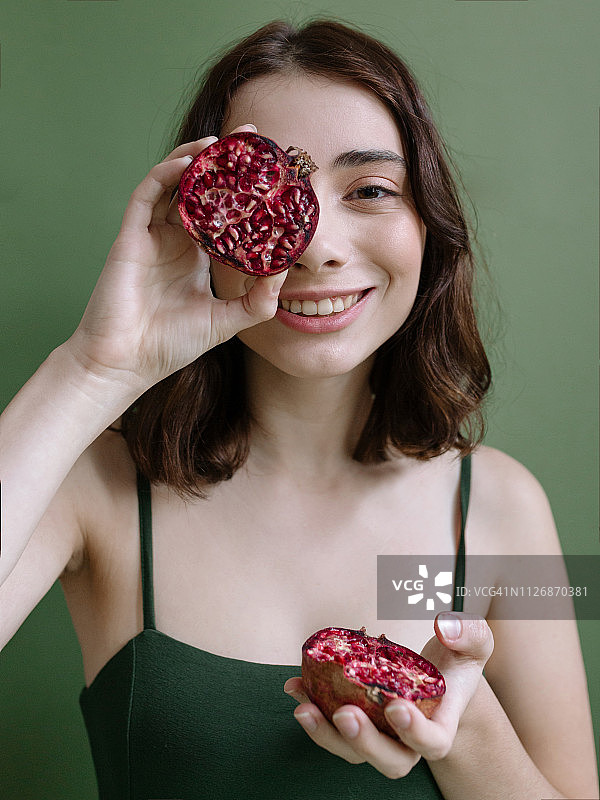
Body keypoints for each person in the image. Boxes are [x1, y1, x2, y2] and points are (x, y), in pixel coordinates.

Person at [0, 18, 597, 800]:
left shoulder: (502, 510)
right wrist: (92, 369)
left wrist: (465, 729)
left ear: (430, 228)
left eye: (372, 190)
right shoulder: (96, 484)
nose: (317, 247)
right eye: (274, 195)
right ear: (200, 223)